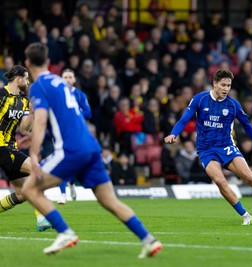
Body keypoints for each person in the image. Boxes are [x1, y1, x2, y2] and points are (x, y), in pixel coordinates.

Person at [21, 42, 162, 258]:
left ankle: (65, 232)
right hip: (90, 146)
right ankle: (149, 240)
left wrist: (33, 153)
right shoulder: (60, 82)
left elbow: (39, 121)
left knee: (30, 188)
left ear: (27, 63)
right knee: (109, 201)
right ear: (48, 62)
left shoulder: (38, 86)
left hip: (70, 149)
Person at [164, 69, 252, 225]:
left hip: (226, 146)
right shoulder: (200, 99)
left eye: (228, 85)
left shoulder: (233, 105)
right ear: (214, 84)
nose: (226, 89)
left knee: (249, 178)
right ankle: (245, 215)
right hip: (206, 150)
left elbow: (247, 125)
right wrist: (174, 133)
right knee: (220, 181)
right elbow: (184, 119)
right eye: (223, 85)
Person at [0, 65, 52, 232]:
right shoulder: (1, 95)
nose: (28, 81)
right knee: (37, 171)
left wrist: (32, 112)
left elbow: (23, 129)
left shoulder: (23, 101)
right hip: (1, 148)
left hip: (10, 148)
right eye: (27, 78)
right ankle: (42, 219)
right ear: (18, 78)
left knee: (22, 194)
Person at [57, 68, 92, 204]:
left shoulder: (80, 95)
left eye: (70, 77)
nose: (67, 79)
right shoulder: (57, 95)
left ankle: (71, 182)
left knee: (74, 161)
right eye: (65, 77)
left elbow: (89, 113)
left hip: (76, 133)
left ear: (74, 79)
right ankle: (62, 194)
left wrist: (74, 114)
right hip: (60, 133)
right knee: (62, 161)